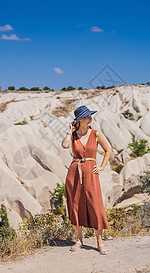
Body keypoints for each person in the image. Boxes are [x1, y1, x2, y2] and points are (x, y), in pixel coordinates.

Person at [61, 105, 111, 255]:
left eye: (90, 116)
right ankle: (79, 240)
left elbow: (108, 150)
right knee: (75, 205)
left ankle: (100, 242)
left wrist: (101, 166)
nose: (91, 118)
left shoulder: (96, 134)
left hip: (91, 172)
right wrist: (70, 131)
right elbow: (64, 145)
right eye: (88, 116)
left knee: (95, 205)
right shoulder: (74, 135)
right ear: (81, 120)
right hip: (74, 173)